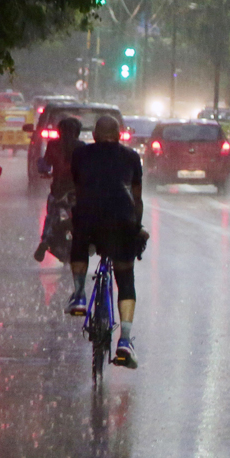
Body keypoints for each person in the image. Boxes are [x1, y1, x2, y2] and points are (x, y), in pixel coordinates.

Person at [68, 115, 147, 369]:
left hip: (90, 219)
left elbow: (79, 189)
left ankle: (80, 295)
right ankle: (124, 339)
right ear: (120, 135)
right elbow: (137, 198)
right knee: (125, 278)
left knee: (79, 236)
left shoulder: (81, 155)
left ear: (94, 136)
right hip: (122, 221)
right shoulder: (131, 157)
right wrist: (137, 227)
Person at [34, 116, 84, 262]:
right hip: (78, 192)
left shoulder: (53, 145)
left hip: (58, 190)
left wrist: (43, 170)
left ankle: (45, 241)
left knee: (51, 216)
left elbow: (45, 164)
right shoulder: (82, 147)